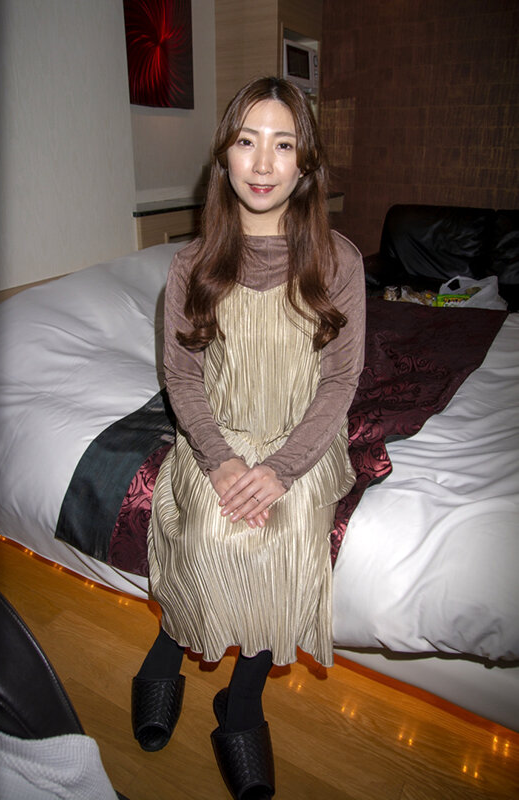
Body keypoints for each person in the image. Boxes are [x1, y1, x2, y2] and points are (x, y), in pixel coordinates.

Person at [131, 76, 366, 800]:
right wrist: (222, 460)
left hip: (301, 441)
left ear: (305, 164)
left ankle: (240, 704)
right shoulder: (191, 263)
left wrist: (283, 470)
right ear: (225, 156)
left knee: (283, 536)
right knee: (205, 530)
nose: (263, 164)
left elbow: (340, 381)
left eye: (283, 144)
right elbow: (182, 377)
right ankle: (164, 655)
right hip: (219, 435)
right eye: (246, 141)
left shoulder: (340, 260)